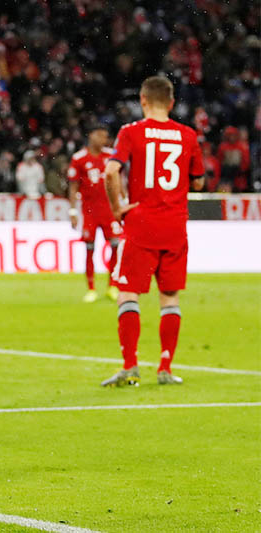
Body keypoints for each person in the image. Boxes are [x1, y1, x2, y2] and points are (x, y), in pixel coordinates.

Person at [102, 76, 204, 387]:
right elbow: (198, 182)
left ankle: (131, 365)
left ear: (143, 100)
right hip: (174, 226)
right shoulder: (187, 136)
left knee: (127, 293)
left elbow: (110, 170)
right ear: (172, 103)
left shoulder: (131, 132)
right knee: (169, 299)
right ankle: (165, 367)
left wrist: (118, 206)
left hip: (142, 224)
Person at [67, 125, 122, 303]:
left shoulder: (111, 156)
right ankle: (91, 288)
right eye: (100, 135)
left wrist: (123, 201)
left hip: (109, 209)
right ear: (90, 135)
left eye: (106, 136)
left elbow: (118, 179)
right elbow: (73, 185)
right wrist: (73, 210)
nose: (103, 140)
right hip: (89, 211)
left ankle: (112, 286)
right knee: (89, 249)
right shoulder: (79, 158)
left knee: (115, 246)